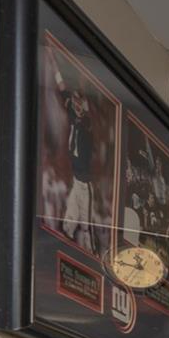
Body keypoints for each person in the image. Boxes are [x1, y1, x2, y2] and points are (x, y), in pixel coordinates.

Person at [60, 73, 101, 254]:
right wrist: (56, 71)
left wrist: (83, 95)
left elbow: (88, 119)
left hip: (85, 184)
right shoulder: (74, 116)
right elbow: (63, 92)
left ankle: (92, 253)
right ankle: (63, 249)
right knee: (68, 222)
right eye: (75, 103)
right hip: (76, 181)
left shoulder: (86, 125)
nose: (76, 106)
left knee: (86, 226)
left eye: (80, 104)